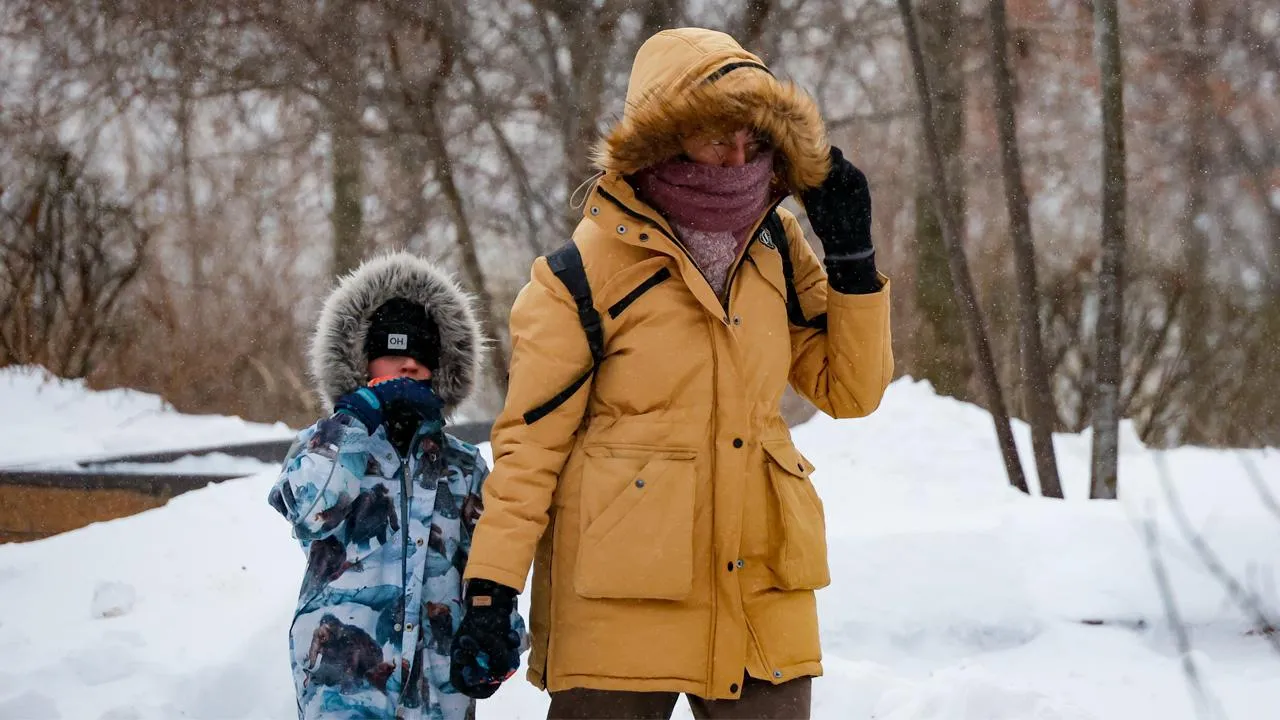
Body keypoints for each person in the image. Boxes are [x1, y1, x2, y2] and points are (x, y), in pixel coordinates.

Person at [451, 27, 894, 720]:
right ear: (667, 137)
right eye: (718, 137)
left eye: (753, 138)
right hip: (620, 606)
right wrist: (490, 589)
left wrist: (854, 263)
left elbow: (852, 390)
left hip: (759, 600)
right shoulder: (579, 277)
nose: (740, 158)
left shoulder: (778, 243)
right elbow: (529, 452)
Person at [269, 252, 525, 720]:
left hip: (438, 688)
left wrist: (500, 630)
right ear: (362, 362)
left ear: (440, 370)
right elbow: (306, 513)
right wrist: (354, 419)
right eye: (390, 353)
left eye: (420, 357)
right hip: (343, 689)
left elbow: (489, 562)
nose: (406, 366)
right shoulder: (323, 445)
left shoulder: (464, 468)